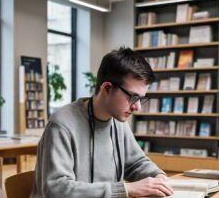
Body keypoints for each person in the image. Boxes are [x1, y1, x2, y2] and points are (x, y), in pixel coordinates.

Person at [30, 47, 174, 198]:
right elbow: (56, 189)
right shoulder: (62, 124)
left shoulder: (118, 122)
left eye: (141, 99)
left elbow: (136, 163)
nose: (137, 106)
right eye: (133, 97)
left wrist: (158, 177)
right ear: (107, 88)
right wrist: (126, 189)